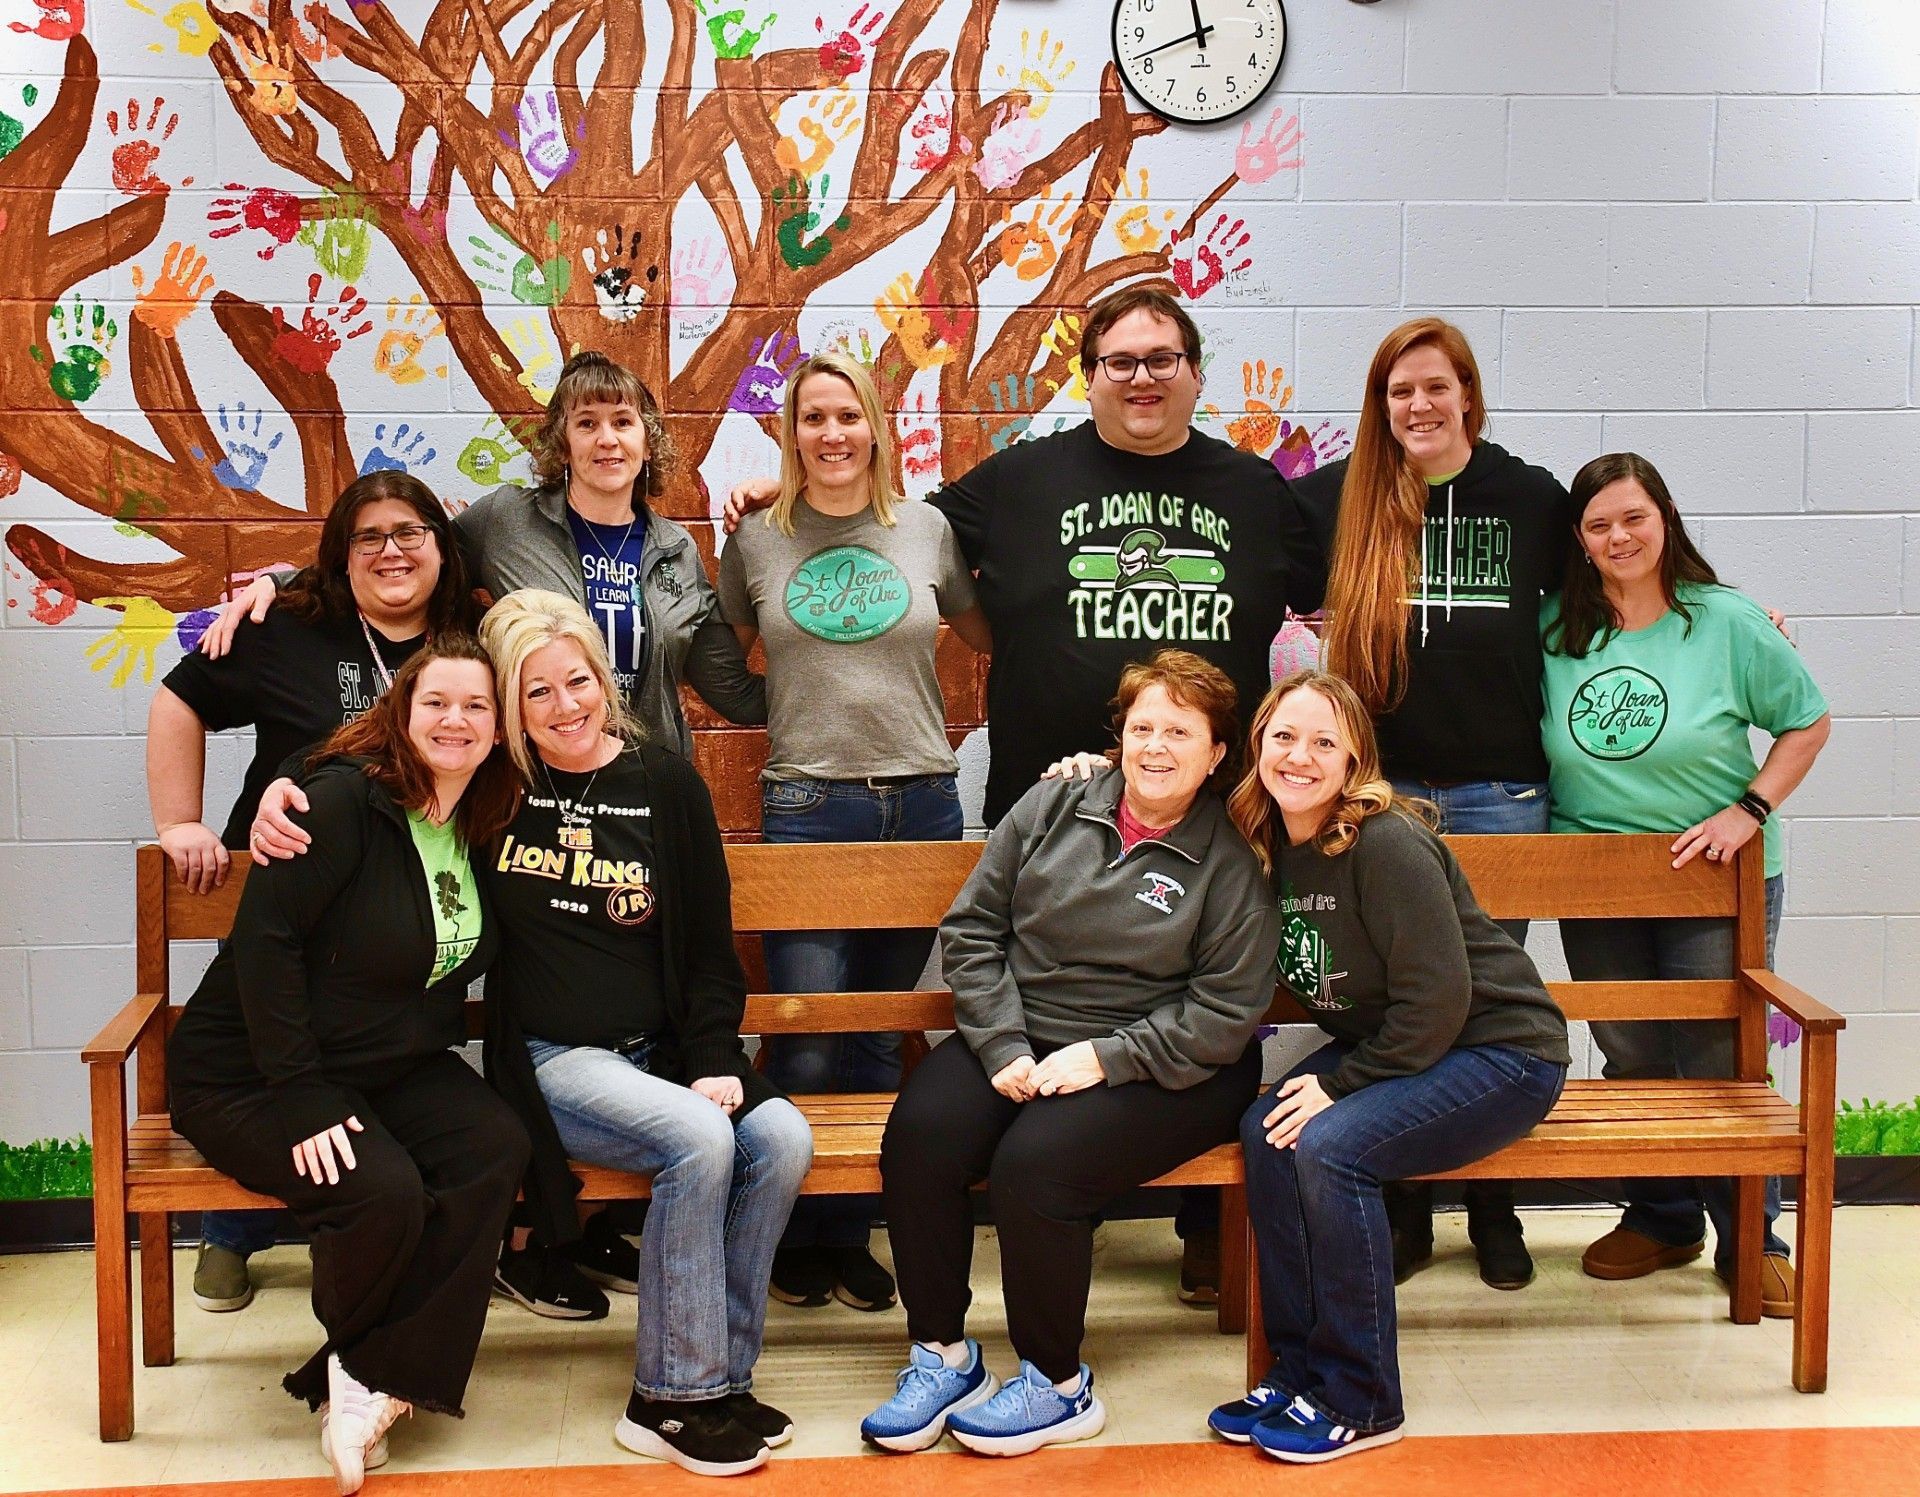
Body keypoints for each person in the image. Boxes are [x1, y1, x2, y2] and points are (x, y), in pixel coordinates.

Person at [729, 286, 1324, 1302]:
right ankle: (1030, 1186)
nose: (1141, 377)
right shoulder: (1011, 482)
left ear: (1193, 371)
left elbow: (1335, 592)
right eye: (1120, 360)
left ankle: (1198, 1228)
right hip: (1047, 800)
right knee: (1031, 992)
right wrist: (762, 509)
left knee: (1209, 1006)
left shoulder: (1258, 490)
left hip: (1211, 811)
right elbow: (878, 522)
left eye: (1162, 358)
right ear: (1088, 374)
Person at [861, 651, 1280, 1458]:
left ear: (1219, 751)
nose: (1155, 747)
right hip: (1027, 1029)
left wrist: (1107, 1059)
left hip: (1176, 1063)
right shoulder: (1055, 800)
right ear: (1119, 735)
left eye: (1180, 731)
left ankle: (1056, 1384)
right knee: (922, 1134)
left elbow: (1225, 1011)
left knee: (1035, 1166)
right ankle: (944, 1356)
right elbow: (974, 930)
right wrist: (1004, 1041)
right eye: (1142, 727)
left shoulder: (1233, 851)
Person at [166, 637, 528, 1495]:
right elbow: (264, 947)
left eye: (476, 706)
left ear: (498, 727)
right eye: (436, 701)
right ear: (402, 714)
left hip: (387, 1060)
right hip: (252, 1071)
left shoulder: (481, 817)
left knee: (494, 1148)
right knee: (381, 1188)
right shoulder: (335, 805)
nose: (457, 720)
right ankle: (366, 1377)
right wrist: (301, 1094)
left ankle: (368, 1373)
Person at [479, 589, 813, 1476]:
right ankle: (669, 1396)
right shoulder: (492, 788)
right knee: (699, 1138)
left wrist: (712, 1057)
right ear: (508, 704)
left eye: (577, 680)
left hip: (659, 1053)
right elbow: (381, 767)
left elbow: (708, 946)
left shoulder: (664, 781)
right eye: (535, 692)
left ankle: (721, 1381)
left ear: (604, 675)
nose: (565, 706)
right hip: (553, 1060)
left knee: (780, 1135)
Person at [1208, 670, 1569, 1464]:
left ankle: (1363, 1397)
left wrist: (1339, 1084)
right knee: (1267, 1132)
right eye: (1284, 737)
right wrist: (1089, 768)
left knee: (1334, 1151)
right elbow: (1163, 782)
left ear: (1353, 764)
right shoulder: (1266, 842)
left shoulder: (1386, 841)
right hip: (1404, 1044)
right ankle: (1298, 1371)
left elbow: (1440, 1000)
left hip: (1500, 1051)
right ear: (1258, 748)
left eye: (1323, 742)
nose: (1300, 756)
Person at [1289, 316, 1575, 1289]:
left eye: (1434, 387)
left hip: (1503, 794)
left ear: (1467, 396)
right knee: (1399, 1001)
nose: (1418, 406)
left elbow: (1630, 583)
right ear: (1381, 406)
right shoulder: (1340, 499)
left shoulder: (1531, 497)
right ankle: (1404, 1206)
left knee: (1484, 1009)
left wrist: (1739, 610)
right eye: (1398, 391)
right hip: (1383, 796)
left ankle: (1494, 1210)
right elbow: (1243, 548)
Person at [150, 470, 476, 1317]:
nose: (391, 551)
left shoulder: (470, 637)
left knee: (368, 1054)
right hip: (291, 887)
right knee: (271, 1036)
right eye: (368, 537)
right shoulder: (289, 625)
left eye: (410, 532)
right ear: (340, 555)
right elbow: (179, 700)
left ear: (442, 545)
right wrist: (180, 821)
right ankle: (231, 1231)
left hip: (404, 908)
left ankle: (368, 1224)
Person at [716, 350, 989, 1314]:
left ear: (878, 425)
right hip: (806, 804)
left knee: (881, 1039)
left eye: (848, 415)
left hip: (922, 800)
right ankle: (785, 1232)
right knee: (801, 1036)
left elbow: (981, 627)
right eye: (811, 418)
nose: (831, 434)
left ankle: (852, 1233)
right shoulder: (757, 535)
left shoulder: (927, 529)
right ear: (790, 434)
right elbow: (714, 641)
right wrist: (769, 700)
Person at [1541, 452, 1830, 1317]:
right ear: (1581, 541)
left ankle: (1755, 1238)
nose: (1619, 536)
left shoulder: (1728, 621)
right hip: (1598, 876)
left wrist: (1751, 806)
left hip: (1715, 877)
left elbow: (1806, 721)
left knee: (1719, 1060)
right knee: (1632, 1052)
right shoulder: (1557, 626)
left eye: (1634, 517)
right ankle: (1664, 1216)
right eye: (1599, 525)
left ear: (1664, 519)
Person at [202, 350, 765, 756]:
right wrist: (283, 584)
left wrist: (839, 693)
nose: (607, 440)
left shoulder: (677, 550)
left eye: (623, 423)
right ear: (562, 442)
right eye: (587, 424)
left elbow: (728, 687)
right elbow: (412, 555)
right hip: (531, 781)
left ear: (648, 441)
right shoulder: (506, 520)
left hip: (648, 777)